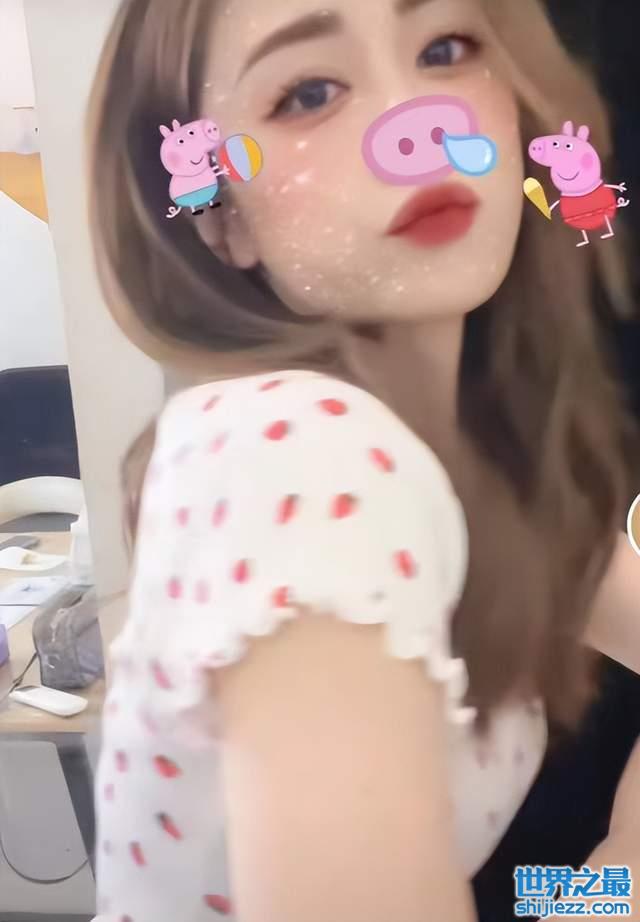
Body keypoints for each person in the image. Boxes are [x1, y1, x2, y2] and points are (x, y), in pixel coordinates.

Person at [87, 0, 640, 919]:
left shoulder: (478, 465)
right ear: (221, 220)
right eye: (307, 93)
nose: (415, 126)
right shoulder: (300, 452)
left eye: (447, 48)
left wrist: (607, 887)